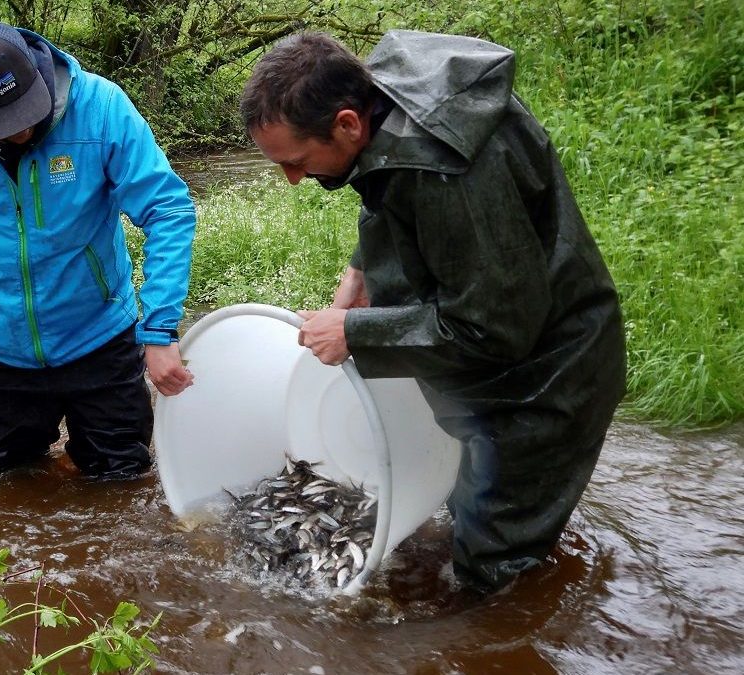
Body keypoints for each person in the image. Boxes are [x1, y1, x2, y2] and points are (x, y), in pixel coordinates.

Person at [240, 31, 626, 592]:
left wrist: (355, 332)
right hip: (509, 364)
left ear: (347, 123)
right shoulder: (394, 95)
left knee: (491, 570)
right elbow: (388, 193)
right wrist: (360, 271)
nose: (293, 179)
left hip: (547, 384)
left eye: (297, 162)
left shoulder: (450, 172)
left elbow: (493, 328)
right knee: (470, 514)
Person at [0, 20, 196, 479]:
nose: (20, 133)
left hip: (102, 339)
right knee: (10, 489)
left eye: (26, 114)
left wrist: (159, 330)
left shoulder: (101, 107)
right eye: (2, 125)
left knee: (122, 481)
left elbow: (168, 211)